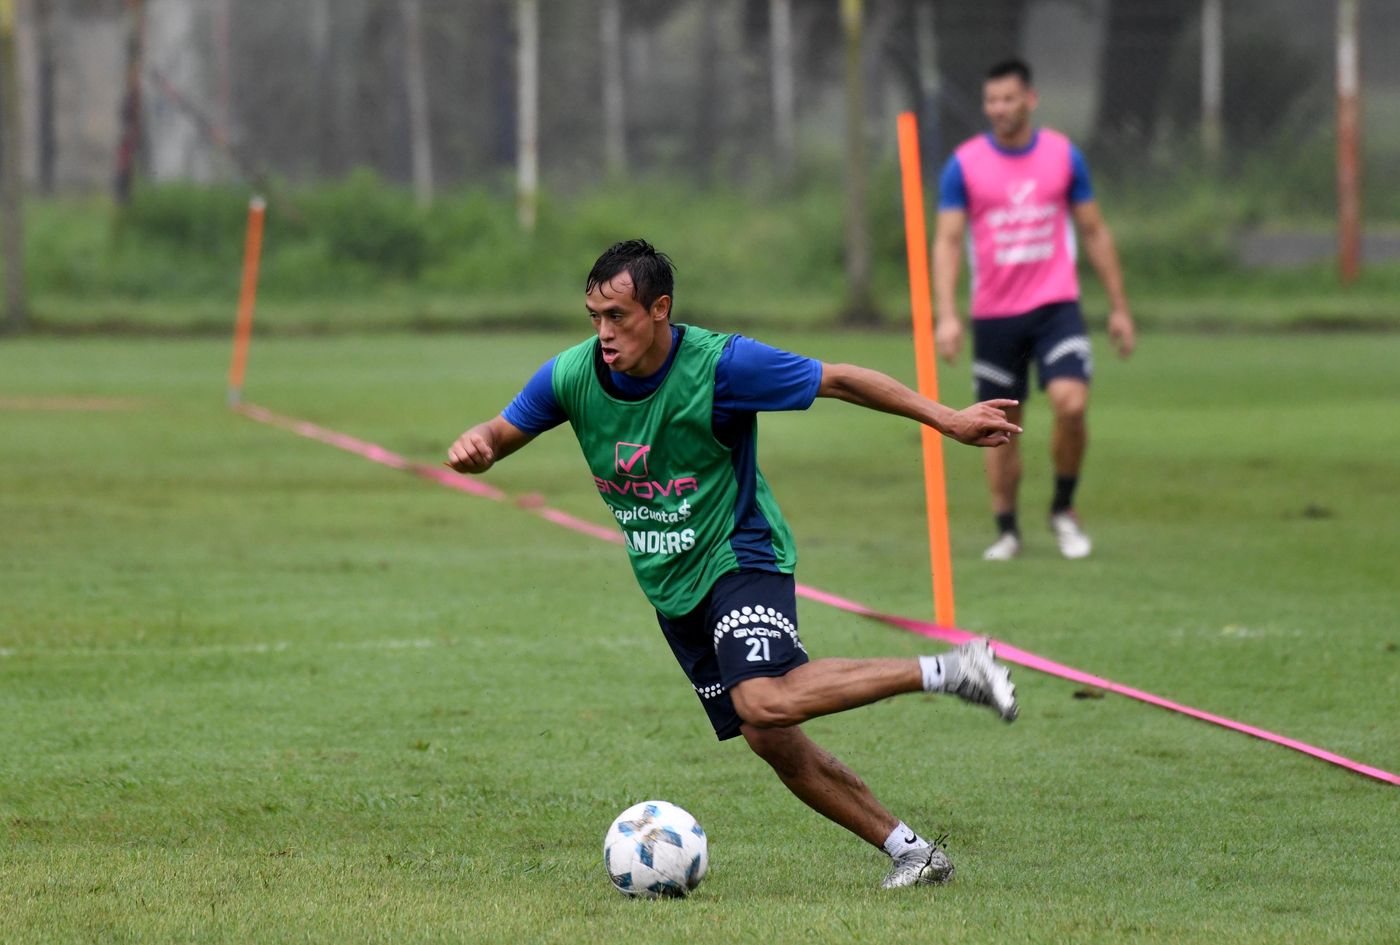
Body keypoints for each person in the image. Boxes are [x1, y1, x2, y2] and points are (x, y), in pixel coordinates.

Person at [447, 240, 1022, 889]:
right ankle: (913, 851)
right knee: (769, 734)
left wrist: (947, 419)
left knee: (764, 696)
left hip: (740, 551)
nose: (604, 333)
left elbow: (838, 378)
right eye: (594, 317)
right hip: (673, 588)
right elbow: (501, 431)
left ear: (660, 308)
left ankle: (953, 668)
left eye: (619, 316)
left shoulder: (722, 366)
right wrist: (480, 445)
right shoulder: (571, 376)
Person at [933, 58, 1136, 561]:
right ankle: (1007, 529)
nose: (999, 109)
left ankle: (1063, 509)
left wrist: (1118, 308)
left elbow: (1093, 230)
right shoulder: (964, 165)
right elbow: (949, 241)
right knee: (999, 428)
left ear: (1030, 99)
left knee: (1071, 402)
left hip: (1056, 305)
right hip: (996, 315)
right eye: (991, 100)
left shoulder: (1063, 156)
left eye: (1008, 98)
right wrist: (948, 315)